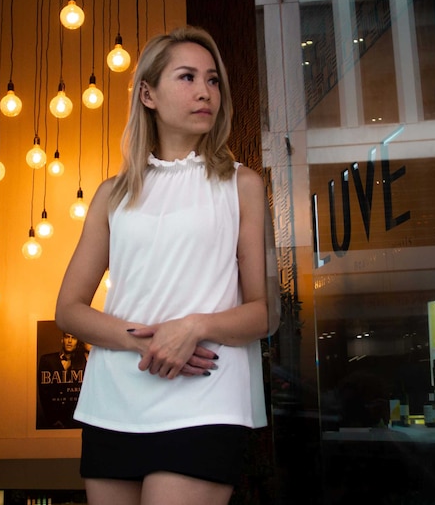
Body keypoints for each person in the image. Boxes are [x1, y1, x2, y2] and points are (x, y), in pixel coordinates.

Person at [56, 25, 279, 505]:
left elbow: (264, 313)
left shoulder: (242, 185)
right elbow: (69, 310)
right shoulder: (111, 194)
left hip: (206, 397)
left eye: (213, 80)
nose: (205, 91)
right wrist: (153, 339)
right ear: (147, 94)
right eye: (187, 77)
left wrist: (193, 327)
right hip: (113, 399)